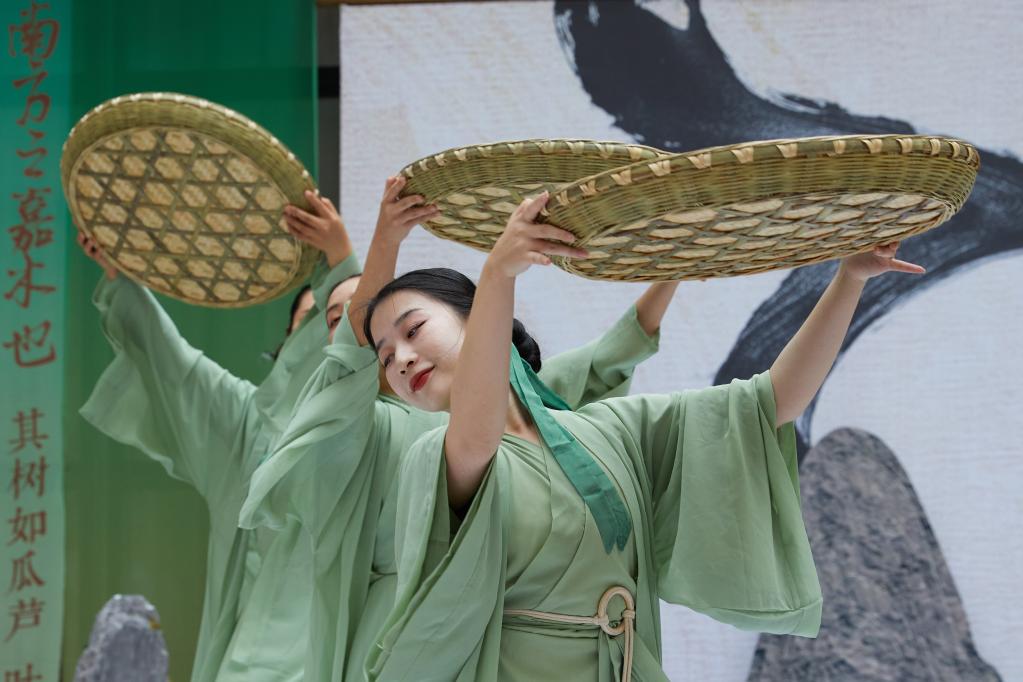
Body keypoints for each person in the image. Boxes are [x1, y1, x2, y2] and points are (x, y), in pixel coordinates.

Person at [358, 192, 926, 681]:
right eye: (386, 357)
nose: (402, 359)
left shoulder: (610, 432)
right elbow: (478, 435)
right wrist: (498, 272)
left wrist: (849, 280)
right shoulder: (431, 455)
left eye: (413, 330)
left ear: (478, 319)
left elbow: (770, 401)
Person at [240, 176, 681, 681]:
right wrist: (379, 241)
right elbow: (349, 361)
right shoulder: (359, 430)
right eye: (343, 324)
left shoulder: (508, 407)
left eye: (413, 329)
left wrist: (674, 268)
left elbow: (602, 362)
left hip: (501, 640)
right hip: (404, 636)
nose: (398, 355)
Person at [78, 190, 366, 682]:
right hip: (241, 653)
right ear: (288, 350)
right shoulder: (245, 425)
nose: (329, 338)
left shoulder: (382, 430)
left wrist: (343, 262)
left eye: (341, 323)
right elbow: (173, 365)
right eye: (315, 323)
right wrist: (121, 276)